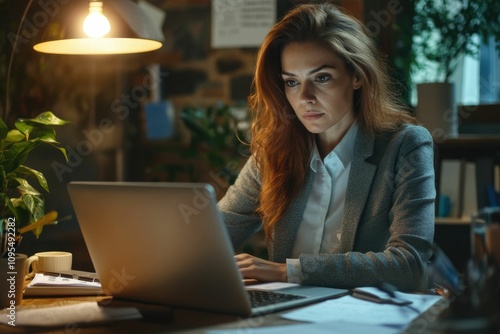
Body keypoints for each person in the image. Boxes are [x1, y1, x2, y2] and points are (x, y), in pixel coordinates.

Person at [217, 2, 435, 292]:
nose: (305, 97)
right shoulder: (274, 152)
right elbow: (214, 234)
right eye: (292, 82)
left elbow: (409, 265)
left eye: (321, 78)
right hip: (285, 312)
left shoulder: (405, 145)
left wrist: (288, 271)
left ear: (357, 75)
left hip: (364, 317)